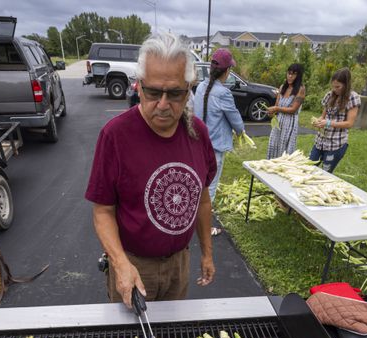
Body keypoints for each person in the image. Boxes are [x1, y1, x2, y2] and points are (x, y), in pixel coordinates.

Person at [85, 32, 217, 308]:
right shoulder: (116, 135)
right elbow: (103, 210)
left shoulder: (198, 134)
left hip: (180, 262)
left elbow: (203, 200)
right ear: (139, 85)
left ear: (189, 88)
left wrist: (207, 253)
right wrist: (120, 263)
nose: (163, 104)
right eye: (154, 92)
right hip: (134, 265)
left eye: (175, 94)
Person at [192, 48, 246, 237]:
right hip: (214, 149)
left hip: (197, 145)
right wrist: (240, 131)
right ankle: (205, 227)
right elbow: (236, 120)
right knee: (210, 188)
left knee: (199, 184)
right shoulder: (223, 93)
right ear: (226, 71)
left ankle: (193, 219)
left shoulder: (200, 87)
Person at [310, 68, 361, 173]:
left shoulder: (353, 97)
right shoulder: (329, 95)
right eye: (333, 86)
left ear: (346, 85)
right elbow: (323, 116)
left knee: (325, 173)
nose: (334, 89)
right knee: (308, 168)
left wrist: (329, 123)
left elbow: (349, 123)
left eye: (338, 87)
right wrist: (318, 122)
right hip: (320, 142)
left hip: (335, 144)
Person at [266, 64, 305, 159]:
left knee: (284, 150)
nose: (290, 76)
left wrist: (277, 109)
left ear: (298, 76)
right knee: (273, 145)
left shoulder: (301, 89)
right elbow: (277, 105)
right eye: (289, 73)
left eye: (294, 74)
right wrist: (271, 112)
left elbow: (293, 110)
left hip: (290, 123)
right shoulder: (282, 87)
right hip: (278, 122)